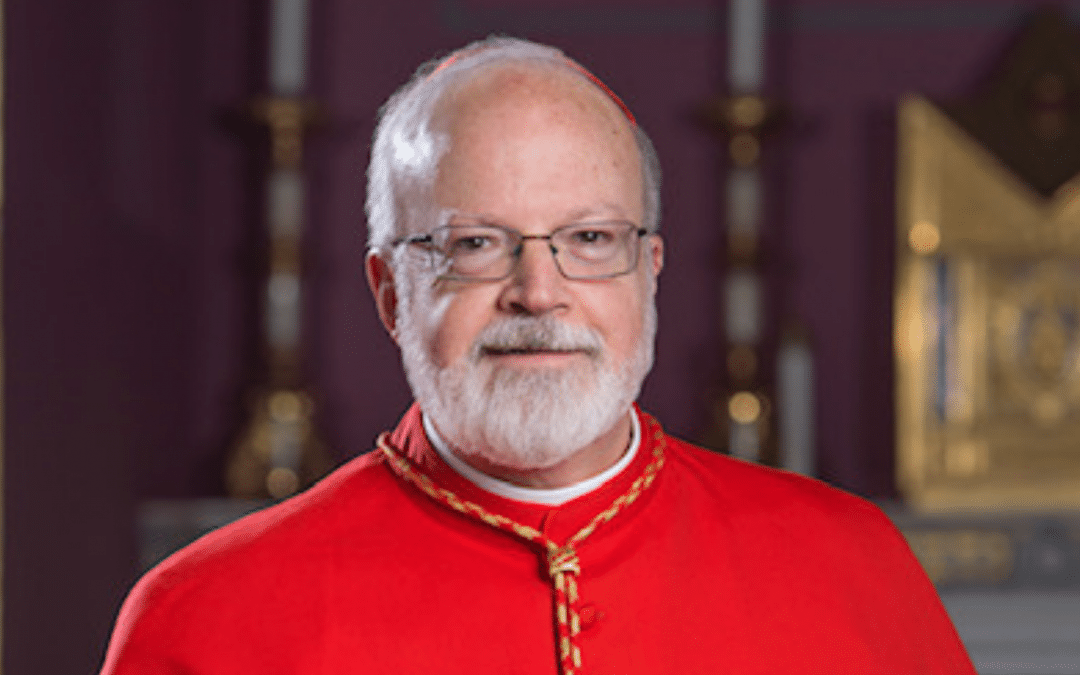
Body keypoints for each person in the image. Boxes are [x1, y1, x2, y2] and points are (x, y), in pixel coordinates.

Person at [100, 37, 976, 674]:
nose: (538, 291)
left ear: (651, 272)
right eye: (476, 243)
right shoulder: (209, 615)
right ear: (390, 292)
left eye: (590, 237)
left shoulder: (849, 564)